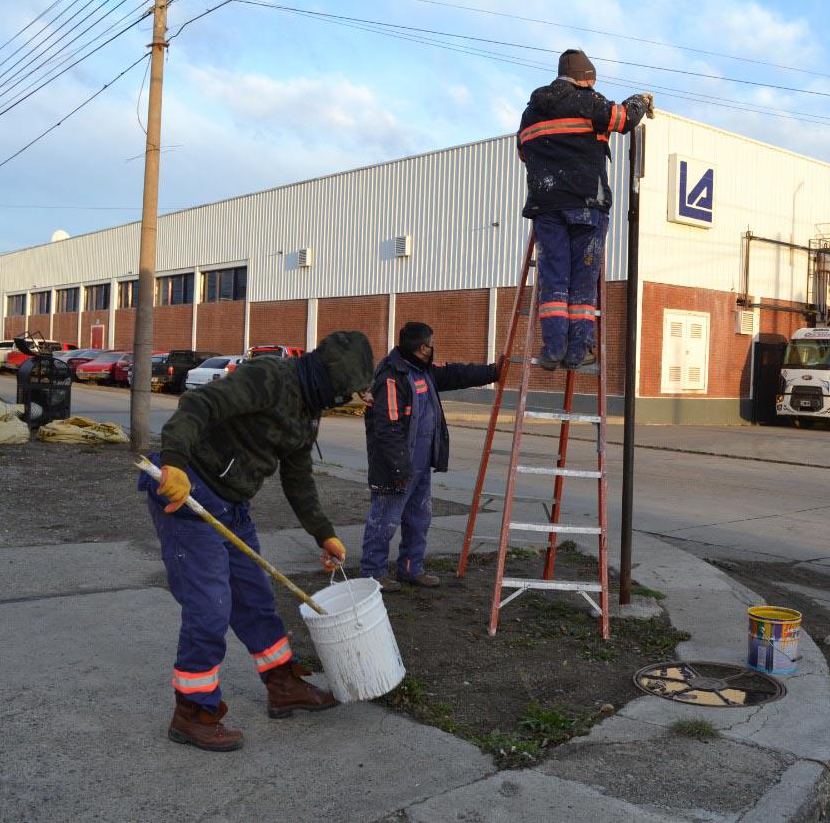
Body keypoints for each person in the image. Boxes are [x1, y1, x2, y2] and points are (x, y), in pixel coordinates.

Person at [139, 330, 374, 752]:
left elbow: (298, 479)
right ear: (330, 376)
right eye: (345, 391)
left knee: (255, 598)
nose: (347, 399)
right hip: (188, 492)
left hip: (231, 504)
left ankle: (282, 685)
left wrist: (325, 534)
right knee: (210, 605)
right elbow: (200, 403)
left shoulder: (308, 410)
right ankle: (193, 712)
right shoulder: (271, 376)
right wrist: (173, 464)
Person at [518, 48, 653, 370]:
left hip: (547, 206)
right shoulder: (590, 102)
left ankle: (552, 350)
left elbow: (523, 153)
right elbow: (624, 119)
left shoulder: (531, 111)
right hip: (586, 208)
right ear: (586, 79)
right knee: (582, 281)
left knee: (553, 279)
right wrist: (640, 101)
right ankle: (578, 351)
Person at [361, 322, 499, 590]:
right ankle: (372, 574)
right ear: (422, 347)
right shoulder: (392, 377)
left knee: (418, 519)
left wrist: (493, 372)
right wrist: (399, 469)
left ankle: (411, 569)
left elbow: (457, 374)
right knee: (384, 521)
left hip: (421, 465)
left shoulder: (424, 371)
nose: (432, 347)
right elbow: (387, 429)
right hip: (396, 466)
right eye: (430, 343)